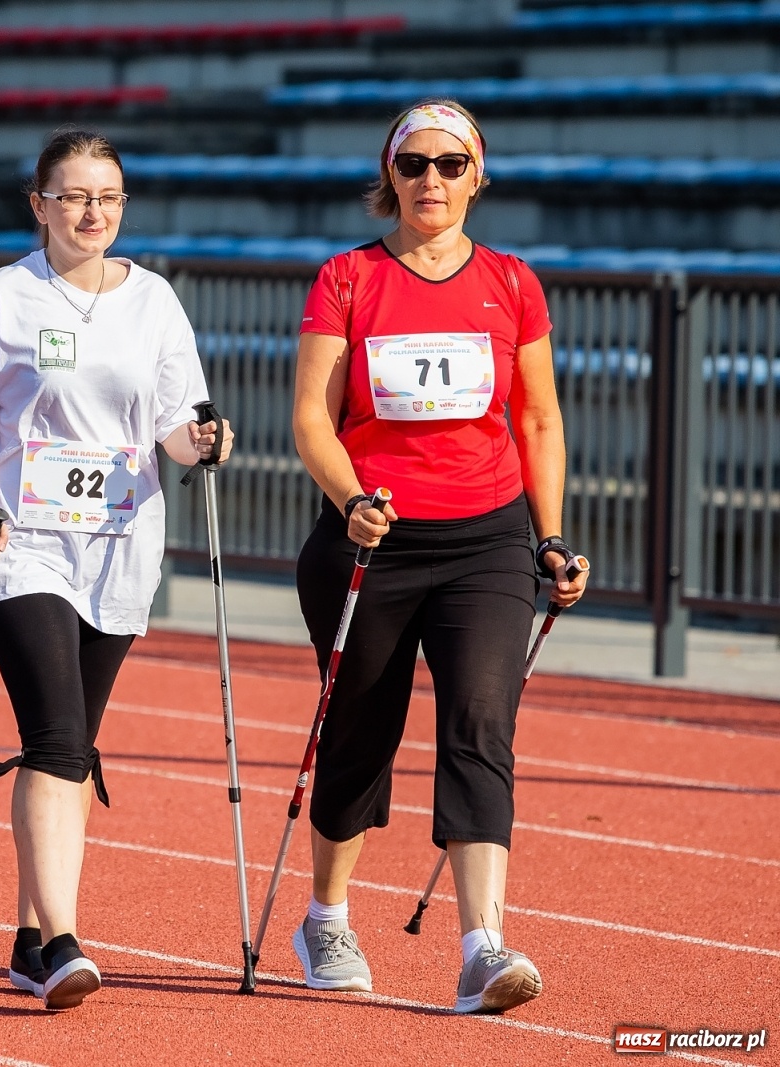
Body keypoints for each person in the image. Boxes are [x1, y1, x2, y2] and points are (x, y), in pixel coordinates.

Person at [0, 128, 233, 1011]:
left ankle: (27, 939)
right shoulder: (0, 299)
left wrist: (202, 441)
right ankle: (61, 939)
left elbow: (174, 424)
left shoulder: (156, 302)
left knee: (71, 745)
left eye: (108, 197)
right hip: (19, 547)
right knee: (59, 737)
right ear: (40, 205)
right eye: (73, 196)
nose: (92, 212)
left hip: (119, 548)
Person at [290, 100, 588, 1013]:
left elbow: (537, 416)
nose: (432, 180)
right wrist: (352, 501)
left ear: (477, 176)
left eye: (451, 164)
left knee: (479, 724)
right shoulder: (347, 277)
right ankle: (327, 916)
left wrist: (550, 534)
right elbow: (311, 417)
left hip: (488, 536)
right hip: (372, 537)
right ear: (391, 177)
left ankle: (481, 946)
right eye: (414, 164)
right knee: (361, 735)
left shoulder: (513, 282)